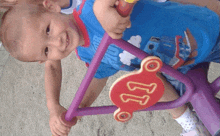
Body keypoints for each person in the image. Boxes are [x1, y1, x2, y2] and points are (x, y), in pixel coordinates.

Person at [0, 0, 219, 135]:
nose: (56, 43)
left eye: (48, 30)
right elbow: (97, 77)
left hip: (204, 31)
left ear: (51, 7)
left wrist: (103, 8)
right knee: (146, 82)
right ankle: (190, 123)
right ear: (43, 60)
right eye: (47, 51)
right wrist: (79, 108)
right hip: (177, 68)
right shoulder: (84, 53)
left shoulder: (91, 7)